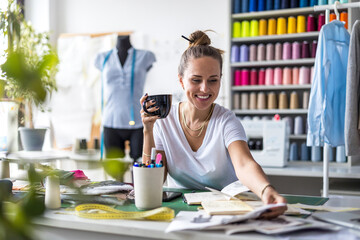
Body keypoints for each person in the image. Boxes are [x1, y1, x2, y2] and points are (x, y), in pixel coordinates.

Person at [140, 30, 286, 218]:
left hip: (226, 212)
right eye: (196, 80)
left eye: (213, 80)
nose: (205, 88)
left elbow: (244, 164)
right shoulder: (165, 120)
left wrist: (266, 190)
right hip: (181, 213)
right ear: (181, 81)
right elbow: (154, 180)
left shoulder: (226, 121)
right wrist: (148, 130)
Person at [95, 35, 156, 160]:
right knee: (115, 168)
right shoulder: (102, 58)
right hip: (111, 121)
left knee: (141, 165)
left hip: (137, 121)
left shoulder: (145, 56)